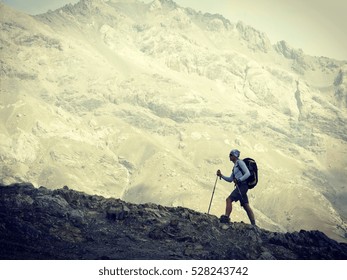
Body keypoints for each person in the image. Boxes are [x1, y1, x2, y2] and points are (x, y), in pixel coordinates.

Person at [217, 149, 256, 225]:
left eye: (231, 155)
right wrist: (221, 175)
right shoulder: (235, 167)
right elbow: (230, 179)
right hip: (241, 186)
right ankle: (253, 224)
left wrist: (239, 180)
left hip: (242, 185)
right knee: (245, 205)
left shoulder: (240, 163)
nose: (229, 156)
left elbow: (247, 173)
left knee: (229, 199)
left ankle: (226, 217)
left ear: (235, 156)